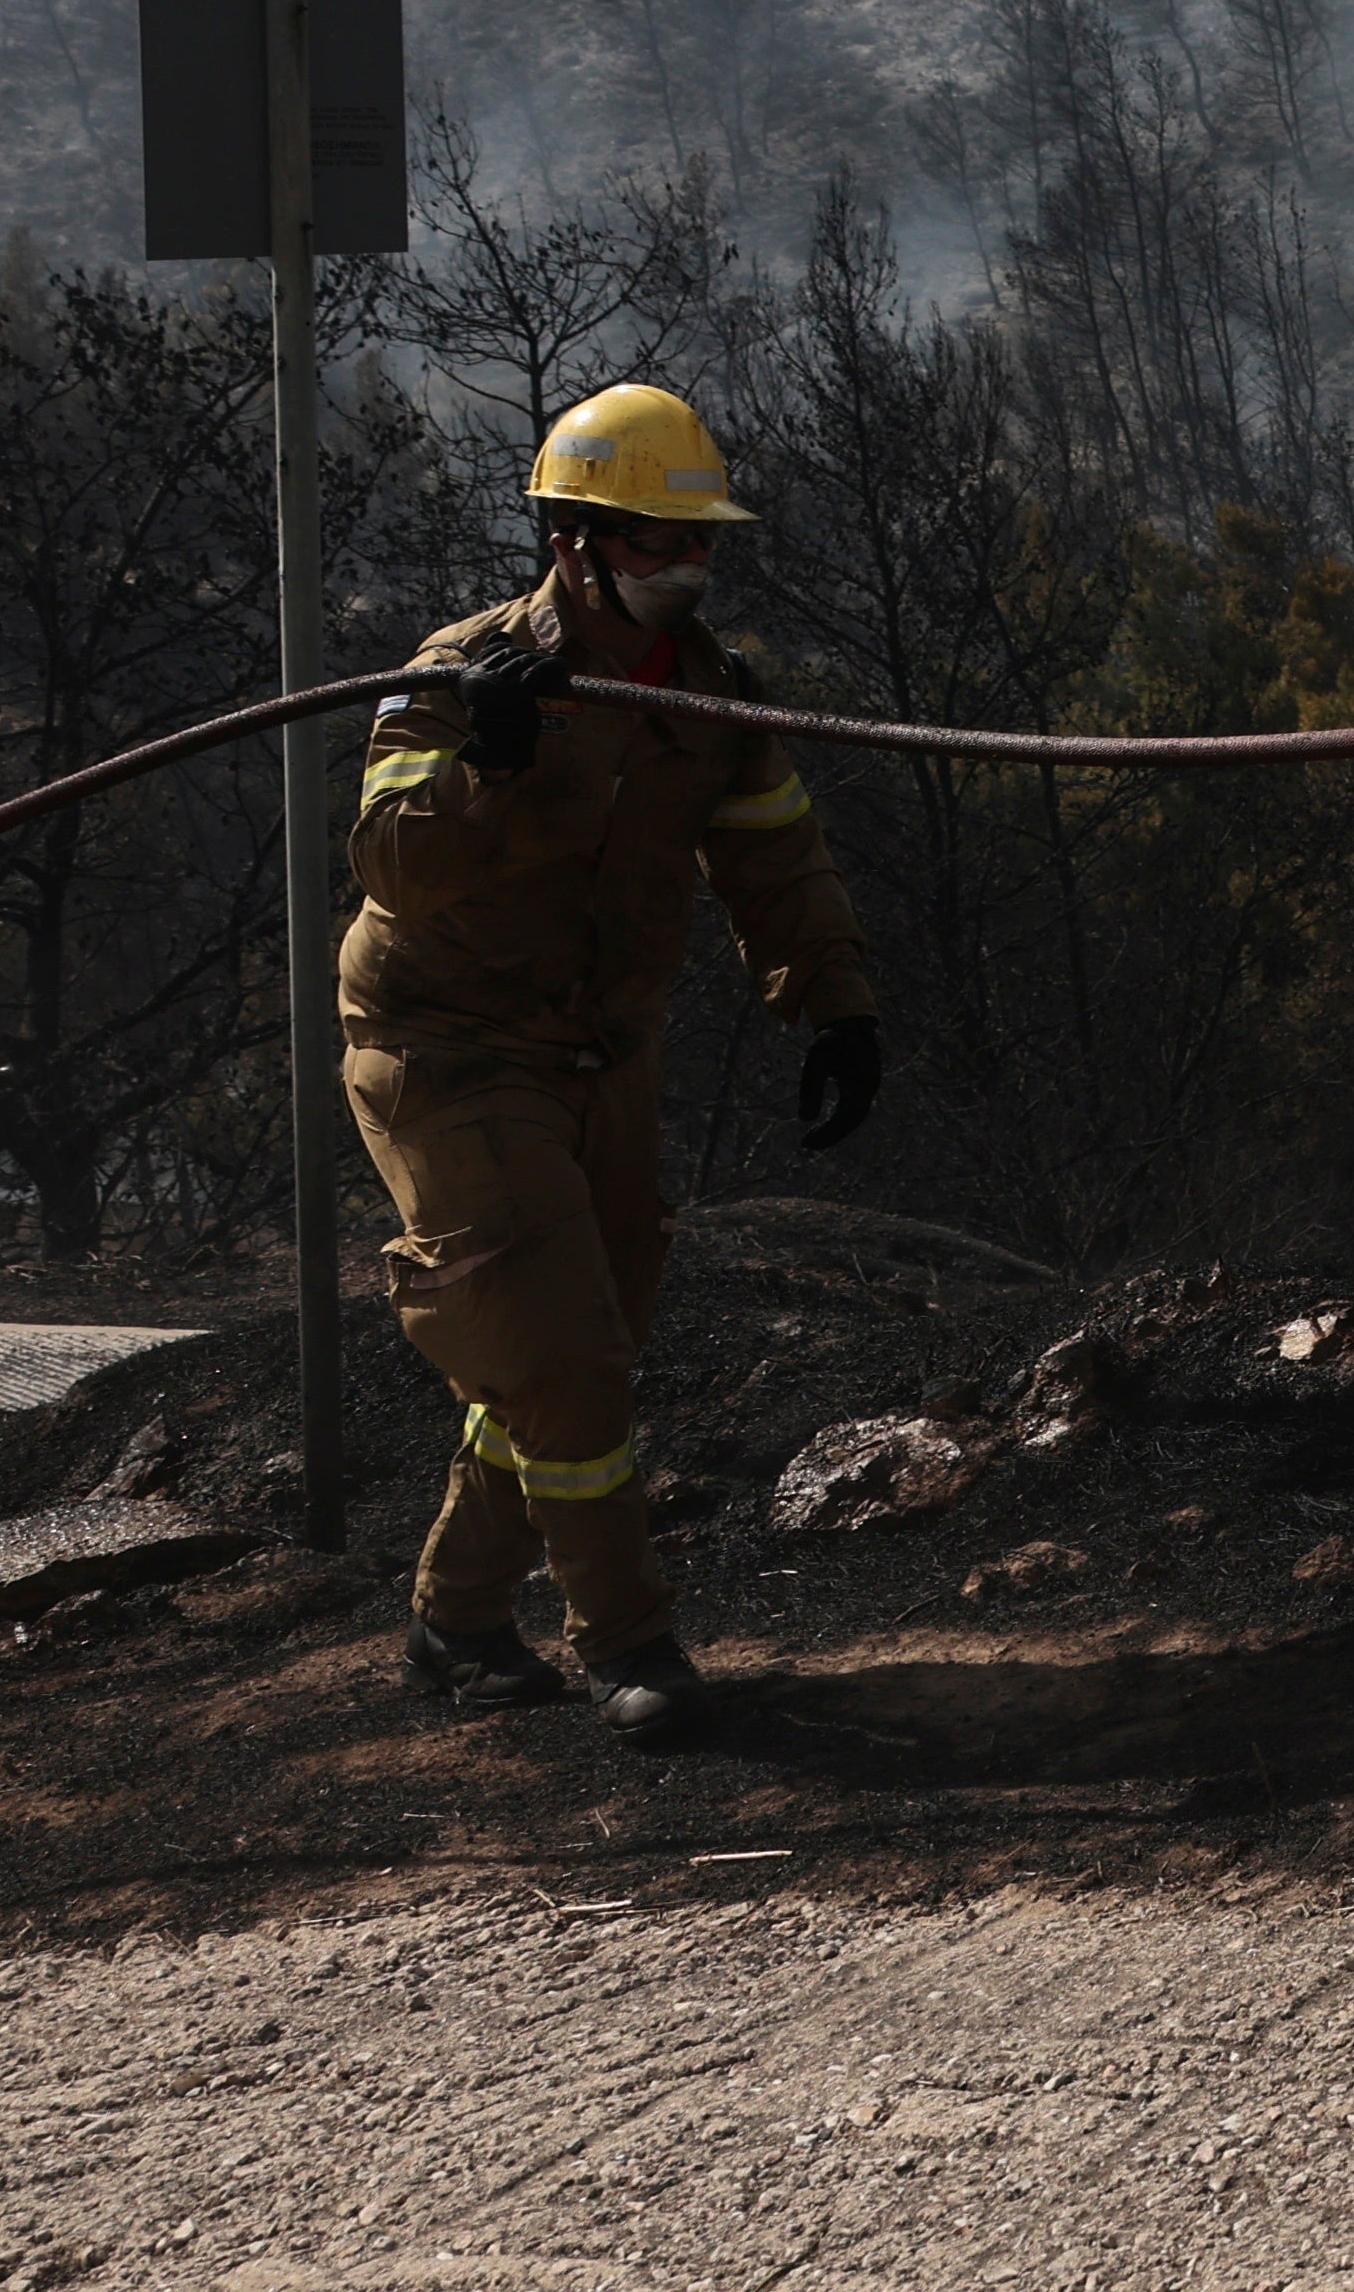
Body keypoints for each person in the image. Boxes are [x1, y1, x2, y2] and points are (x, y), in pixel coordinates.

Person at [335, 383, 887, 1742]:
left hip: (601, 1053)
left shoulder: (711, 694)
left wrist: (837, 1005)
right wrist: (496, 758)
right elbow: (393, 864)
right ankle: (629, 1647)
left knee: (572, 1355)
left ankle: (456, 1621)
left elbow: (774, 853)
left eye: (697, 543)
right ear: (573, 543)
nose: (685, 568)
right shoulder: (459, 671)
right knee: (565, 1356)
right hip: (444, 1044)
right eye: (653, 543)